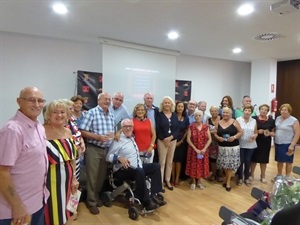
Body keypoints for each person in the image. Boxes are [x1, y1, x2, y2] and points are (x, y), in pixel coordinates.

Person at [0, 87, 49, 225]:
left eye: (40, 101)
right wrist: (17, 205)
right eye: (31, 100)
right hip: (16, 210)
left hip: (37, 201)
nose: (37, 104)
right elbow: (2, 173)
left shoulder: (38, 125)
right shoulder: (12, 130)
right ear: (19, 102)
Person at [106, 119, 166, 210]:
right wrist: (118, 158)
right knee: (139, 170)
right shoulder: (117, 140)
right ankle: (146, 201)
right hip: (122, 170)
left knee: (156, 166)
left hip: (137, 168)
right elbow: (108, 157)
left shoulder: (132, 137)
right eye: (126, 126)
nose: (128, 128)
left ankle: (154, 194)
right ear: (121, 128)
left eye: (130, 126)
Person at [43, 99, 79, 225]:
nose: (59, 115)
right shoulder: (41, 131)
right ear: (48, 114)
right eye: (55, 112)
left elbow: (72, 158)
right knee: (51, 214)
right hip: (48, 182)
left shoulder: (68, 132)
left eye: (62, 112)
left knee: (67, 211)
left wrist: (74, 178)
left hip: (68, 181)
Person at [79, 92, 115, 215]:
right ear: (98, 100)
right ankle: (91, 202)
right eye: (105, 99)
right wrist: (97, 137)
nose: (107, 101)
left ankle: (96, 196)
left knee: (101, 177)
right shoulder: (91, 113)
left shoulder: (111, 114)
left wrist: (112, 135)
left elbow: (112, 132)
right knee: (92, 177)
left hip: (106, 150)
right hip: (94, 148)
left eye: (109, 99)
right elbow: (82, 131)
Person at [215, 107, 242, 191]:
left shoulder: (235, 122)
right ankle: (227, 179)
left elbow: (241, 132)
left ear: (231, 114)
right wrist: (218, 137)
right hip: (222, 147)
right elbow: (215, 132)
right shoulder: (218, 122)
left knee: (229, 165)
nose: (225, 114)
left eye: (227, 113)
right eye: (224, 112)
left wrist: (234, 137)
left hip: (232, 147)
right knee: (225, 165)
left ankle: (228, 183)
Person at [156, 96, 179, 191]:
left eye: (168, 103)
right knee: (162, 162)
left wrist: (171, 138)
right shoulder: (159, 115)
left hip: (172, 141)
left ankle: (167, 180)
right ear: (162, 104)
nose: (167, 104)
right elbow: (158, 128)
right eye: (165, 103)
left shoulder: (174, 115)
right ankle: (160, 183)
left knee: (169, 162)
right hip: (162, 141)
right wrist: (164, 139)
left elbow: (177, 129)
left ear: (171, 104)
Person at [186, 111, 212, 190]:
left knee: (202, 165)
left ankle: (200, 181)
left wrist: (204, 149)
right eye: (196, 115)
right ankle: (193, 181)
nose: (198, 117)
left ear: (202, 117)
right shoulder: (191, 126)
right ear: (194, 117)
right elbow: (188, 139)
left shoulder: (206, 127)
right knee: (193, 165)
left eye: (199, 115)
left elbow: (209, 139)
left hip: (203, 151)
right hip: (193, 150)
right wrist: (195, 149)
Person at [250, 104, 275, 184]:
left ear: (267, 111)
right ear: (259, 110)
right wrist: (257, 131)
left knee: (264, 160)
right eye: (262, 109)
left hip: (266, 142)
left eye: (265, 110)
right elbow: (250, 130)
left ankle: (263, 176)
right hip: (255, 141)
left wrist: (271, 133)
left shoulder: (271, 120)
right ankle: (251, 175)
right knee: (253, 159)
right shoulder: (254, 119)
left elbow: (273, 131)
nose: (263, 111)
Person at [274, 103, 300, 177]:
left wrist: (292, 145)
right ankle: (279, 176)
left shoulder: (294, 120)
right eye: (282, 110)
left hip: (288, 144)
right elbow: (276, 129)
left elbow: (297, 133)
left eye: (285, 110)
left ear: (289, 111)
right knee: (279, 161)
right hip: (278, 142)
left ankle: (287, 177)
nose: (283, 111)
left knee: (288, 161)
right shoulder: (278, 118)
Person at [236, 104, 258, 187]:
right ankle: (240, 178)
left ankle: (247, 178)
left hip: (250, 144)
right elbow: (236, 131)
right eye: (246, 110)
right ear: (243, 111)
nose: (247, 112)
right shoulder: (238, 120)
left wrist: (255, 136)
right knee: (241, 161)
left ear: (251, 112)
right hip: (241, 143)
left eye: (249, 111)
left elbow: (256, 132)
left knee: (248, 161)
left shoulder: (254, 121)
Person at [171, 101, 189, 186]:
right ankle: (172, 178)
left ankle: (177, 179)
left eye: (182, 107)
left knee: (178, 161)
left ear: (184, 108)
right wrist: (174, 141)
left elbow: (186, 131)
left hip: (181, 143)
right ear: (175, 107)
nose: (180, 108)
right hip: (172, 141)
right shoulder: (172, 116)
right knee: (172, 161)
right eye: (178, 106)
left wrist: (181, 141)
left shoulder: (186, 118)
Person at [207, 106, 222, 182]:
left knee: (220, 158)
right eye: (212, 111)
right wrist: (212, 132)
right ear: (210, 112)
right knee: (212, 159)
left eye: (215, 111)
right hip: (211, 142)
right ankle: (213, 173)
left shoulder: (222, 119)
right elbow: (206, 130)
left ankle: (219, 175)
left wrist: (214, 131)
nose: (214, 112)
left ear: (218, 111)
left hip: (221, 141)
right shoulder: (208, 120)